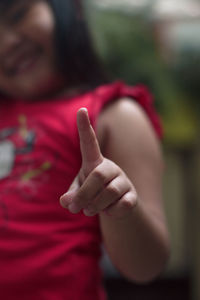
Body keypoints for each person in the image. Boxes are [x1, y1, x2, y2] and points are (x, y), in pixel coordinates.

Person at [0, 0, 170, 299]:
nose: (6, 42)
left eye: (17, 15)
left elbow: (147, 266)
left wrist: (117, 205)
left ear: (68, 9)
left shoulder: (116, 115)